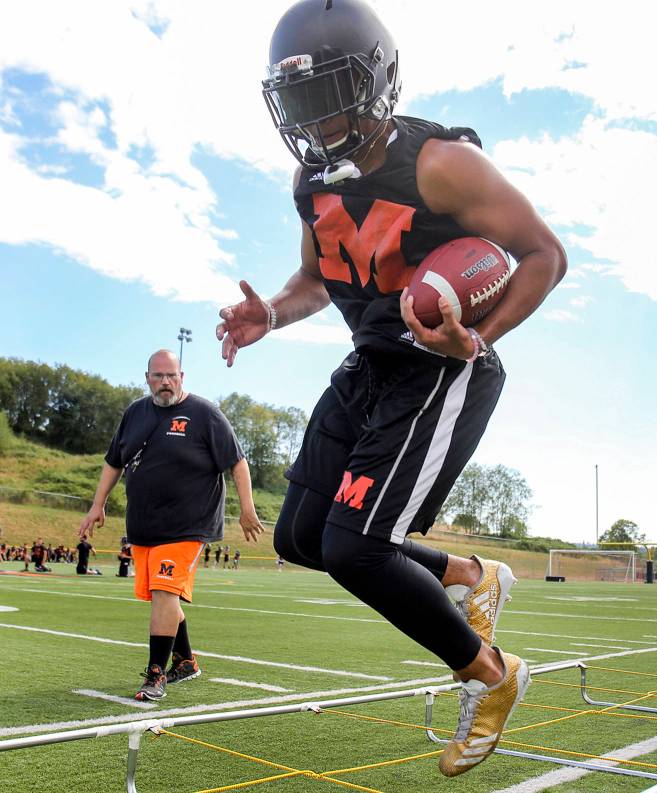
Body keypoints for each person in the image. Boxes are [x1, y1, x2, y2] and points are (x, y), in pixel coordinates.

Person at [215, 0, 565, 777]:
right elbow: (315, 278)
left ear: (375, 82)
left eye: (330, 91)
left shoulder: (441, 162)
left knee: (355, 548)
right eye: (300, 99)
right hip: (369, 364)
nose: (316, 117)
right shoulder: (309, 179)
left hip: (438, 366)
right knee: (301, 538)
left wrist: (477, 338)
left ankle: (493, 674)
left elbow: (543, 254)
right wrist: (268, 313)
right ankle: (472, 575)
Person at [78, 349, 264, 701]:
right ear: (147, 377)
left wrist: (247, 508)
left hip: (188, 525)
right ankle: (186, 661)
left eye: (172, 376)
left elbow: (237, 462)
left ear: (183, 377)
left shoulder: (205, 414)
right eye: (158, 376)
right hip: (144, 526)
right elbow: (113, 461)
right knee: (161, 597)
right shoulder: (134, 413)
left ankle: (155, 674)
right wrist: (97, 505)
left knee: (165, 592)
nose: (166, 382)